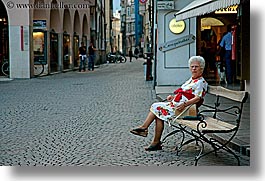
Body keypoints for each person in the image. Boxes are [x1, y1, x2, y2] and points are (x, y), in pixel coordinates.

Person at [130, 56, 208, 151]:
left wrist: (184, 104)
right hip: (178, 106)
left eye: (196, 66)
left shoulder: (201, 82)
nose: (194, 69)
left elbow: (197, 98)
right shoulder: (191, 80)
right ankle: (154, 141)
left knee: (156, 107)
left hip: (185, 110)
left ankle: (146, 130)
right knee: (158, 111)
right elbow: (184, 93)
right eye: (192, 66)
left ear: (202, 68)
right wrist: (173, 98)